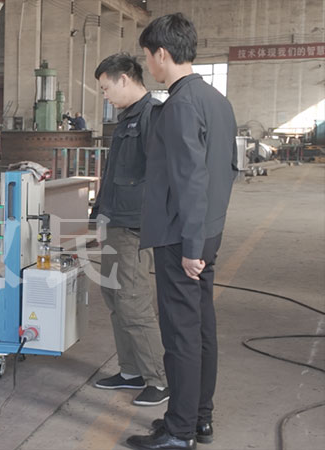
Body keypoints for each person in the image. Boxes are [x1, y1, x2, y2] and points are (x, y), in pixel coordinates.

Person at [126, 13, 238, 450]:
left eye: (147, 56)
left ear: (162, 54)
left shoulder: (178, 106)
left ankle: (178, 431)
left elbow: (191, 180)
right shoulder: (217, 101)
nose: (148, 65)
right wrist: (205, 237)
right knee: (202, 326)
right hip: (207, 231)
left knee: (180, 333)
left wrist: (191, 246)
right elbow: (226, 171)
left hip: (181, 237)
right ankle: (198, 419)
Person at [90, 53, 168, 407]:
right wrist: (99, 215)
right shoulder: (126, 120)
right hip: (115, 221)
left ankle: (158, 379)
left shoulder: (153, 116)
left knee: (133, 302)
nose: (105, 96)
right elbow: (113, 176)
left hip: (134, 225)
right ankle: (131, 370)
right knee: (115, 299)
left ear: (124, 79)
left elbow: (162, 175)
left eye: (106, 88)